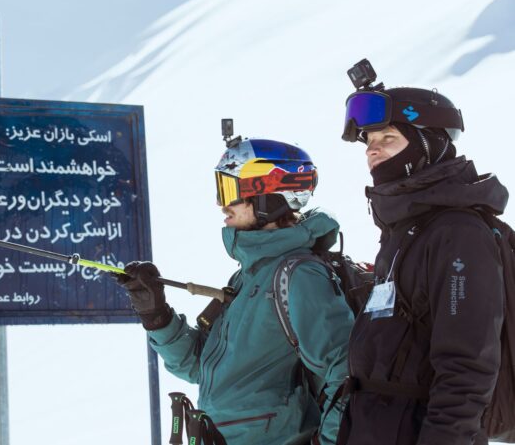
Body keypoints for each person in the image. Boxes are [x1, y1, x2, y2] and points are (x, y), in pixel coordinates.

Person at [117, 137, 354, 445]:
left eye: (230, 191)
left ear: (270, 197)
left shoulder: (298, 275)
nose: (222, 204)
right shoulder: (248, 275)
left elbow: (346, 371)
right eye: (221, 189)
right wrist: (157, 316)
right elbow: (202, 367)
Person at [338, 73, 508, 445]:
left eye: (388, 138)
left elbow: (467, 368)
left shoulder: (459, 234)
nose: (372, 150)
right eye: (369, 141)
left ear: (428, 146)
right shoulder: (403, 231)